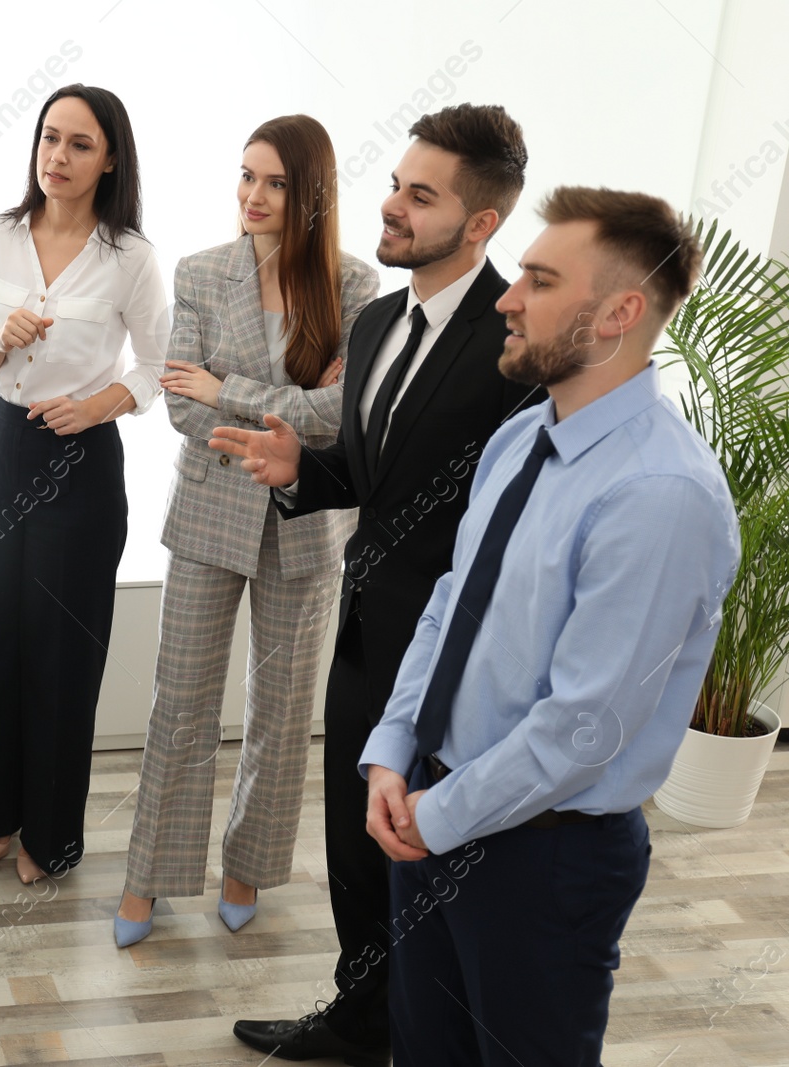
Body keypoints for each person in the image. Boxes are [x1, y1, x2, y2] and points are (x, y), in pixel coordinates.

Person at [357, 186, 738, 1064]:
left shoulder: (660, 495)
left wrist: (432, 815)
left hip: (542, 864)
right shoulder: (521, 439)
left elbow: (583, 727)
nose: (506, 297)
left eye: (538, 278)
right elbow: (454, 601)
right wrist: (393, 744)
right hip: (436, 809)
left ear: (619, 313)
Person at [209, 104, 536, 1063]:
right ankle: (361, 1021)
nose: (389, 206)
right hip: (359, 638)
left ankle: (427, 1032)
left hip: (455, 659)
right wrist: (298, 471)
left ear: (480, 225)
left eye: (419, 196)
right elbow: (370, 477)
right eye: (396, 183)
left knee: (428, 865)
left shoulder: (515, 344)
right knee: (355, 851)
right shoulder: (380, 317)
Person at [113, 115, 379, 948]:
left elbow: (342, 419)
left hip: (306, 529)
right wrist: (273, 402)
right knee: (180, 705)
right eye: (246, 176)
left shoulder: (357, 286)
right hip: (208, 514)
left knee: (282, 710)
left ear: (311, 196)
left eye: (275, 183)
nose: (253, 197)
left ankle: (246, 866)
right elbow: (181, 407)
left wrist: (229, 383)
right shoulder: (199, 272)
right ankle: (147, 877)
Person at [0, 84, 168, 885]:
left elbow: (157, 368)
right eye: (48, 138)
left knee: (63, 649)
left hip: (81, 459)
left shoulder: (130, 257)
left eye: (78, 144)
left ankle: (50, 831)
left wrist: (101, 404)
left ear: (110, 159)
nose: (58, 157)